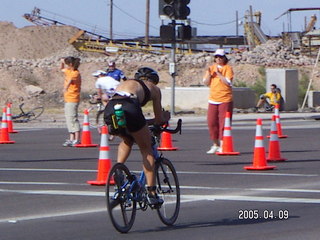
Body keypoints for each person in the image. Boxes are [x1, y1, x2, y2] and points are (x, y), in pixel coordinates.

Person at [104, 67, 170, 206]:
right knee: (147, 148)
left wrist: (146, 124)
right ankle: (152, 193)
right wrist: (165, 117)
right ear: (154, 80)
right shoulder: (154, 89)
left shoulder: (128, 83)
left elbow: (139, 123)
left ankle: (119, 170)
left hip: (111, 108)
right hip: (130, 107)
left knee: (127, 139)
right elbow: (159, 119)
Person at [203, 49, 234, 154]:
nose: (218, 59)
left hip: (225, 99)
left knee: (223, 123)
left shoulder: (228, 68)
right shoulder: (211, 69)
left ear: (224, 58)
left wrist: (219, 74)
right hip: (213, 99)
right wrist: (209, 74)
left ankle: (223, 144)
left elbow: (228, 82)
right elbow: (206, 82)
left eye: (220, 57)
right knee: (211, 122)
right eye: (216, 57)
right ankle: (215, 144)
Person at [60, 56, 82, 147]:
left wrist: (65, 88)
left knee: (73, 118)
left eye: (66, 64)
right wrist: (62, 62)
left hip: (73, 98)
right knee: (69, 118)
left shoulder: (75, 73)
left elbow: (70, 81)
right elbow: (62, 69)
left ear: (71, 64)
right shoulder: (69, 71)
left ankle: (76, 139)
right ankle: (71, 138)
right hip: (68, 98)